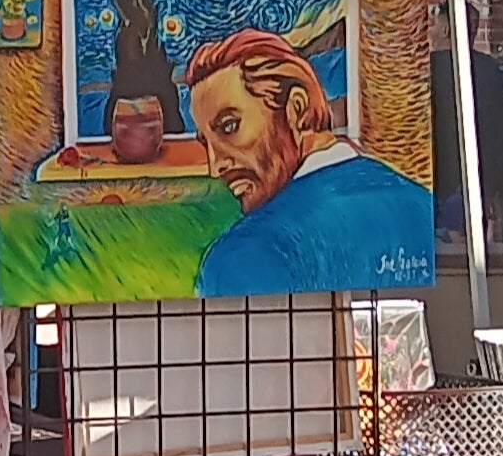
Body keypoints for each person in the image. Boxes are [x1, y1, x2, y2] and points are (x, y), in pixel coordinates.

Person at [183, 29, 433, 296]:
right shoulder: (419, 205)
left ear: (297, 110)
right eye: (205, 142)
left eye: (229, 126)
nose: (215, 166)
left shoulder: (238, 259)